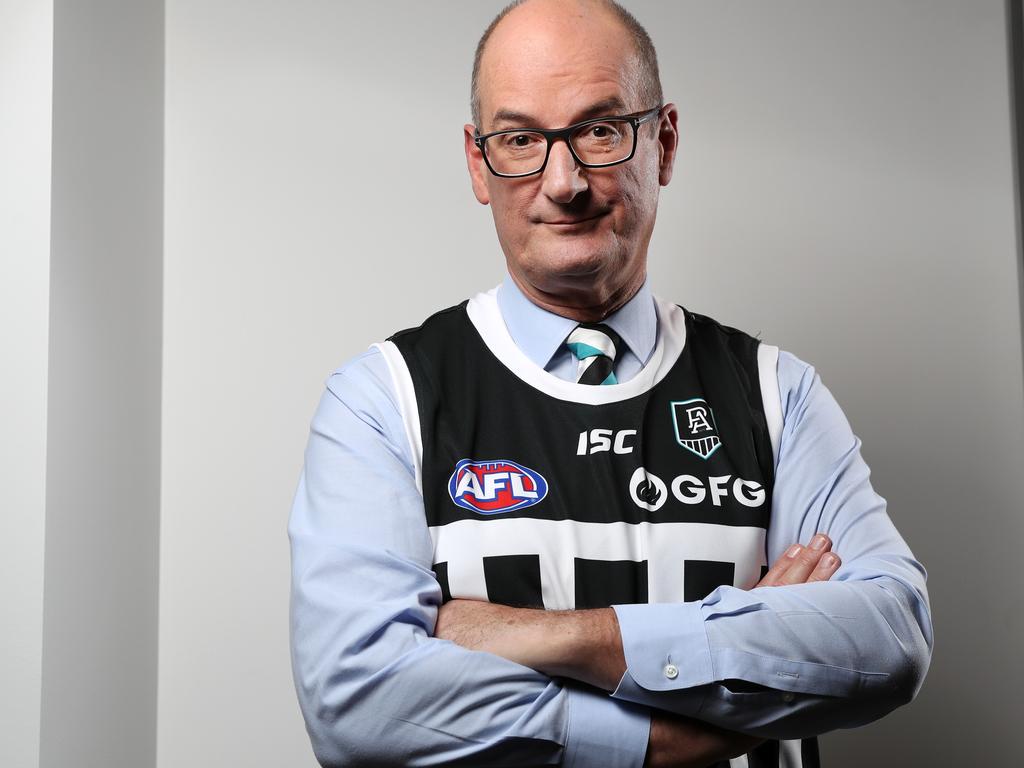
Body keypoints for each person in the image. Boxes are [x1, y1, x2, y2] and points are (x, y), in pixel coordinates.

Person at [287, 1, 933, 766]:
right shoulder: (385, 400)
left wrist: (548, 636)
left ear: (663, 144)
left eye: (599, 130)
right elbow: (357, 703)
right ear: (477, 162)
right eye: (520, 139)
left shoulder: (776, 394)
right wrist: (662, 738)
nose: (563, 182)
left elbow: (891, 638)